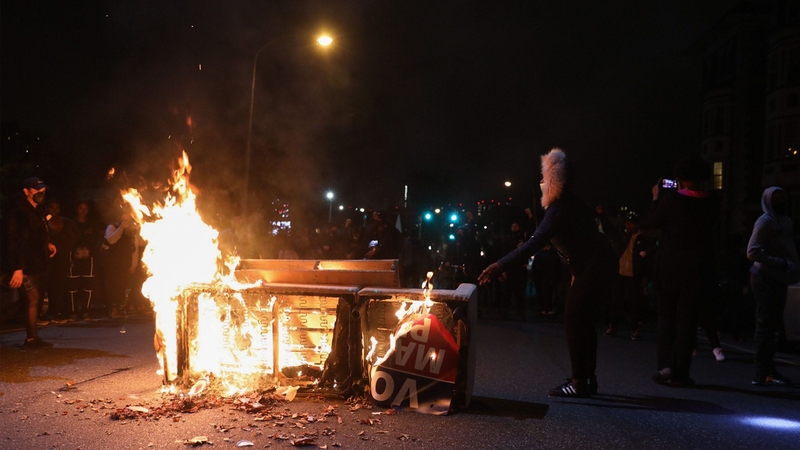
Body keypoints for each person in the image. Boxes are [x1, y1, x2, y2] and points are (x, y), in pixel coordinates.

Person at [479, 148, 617, 397]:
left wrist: (500, 264)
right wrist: (577, 269)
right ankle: (586, 379)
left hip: (595, 268)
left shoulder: (558, 209)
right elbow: (583, 239)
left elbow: (534, 242)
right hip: (594, 266)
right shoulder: (570, 203)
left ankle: (580, 382)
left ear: (555, 182)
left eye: (545, 177)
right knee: (583, 322)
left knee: (574, 320)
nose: (540, 181)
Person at [646, 156, 718, 387]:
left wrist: (656, 198)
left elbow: (653, 223)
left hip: (669, 267)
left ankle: (665, 365)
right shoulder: (712, 203)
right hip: (697, 270)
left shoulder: (672, 200)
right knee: (688, 322)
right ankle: (681, 372)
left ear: (680, 178)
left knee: (666, 317)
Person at [746, 186, 798, 386]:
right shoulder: (764, 221)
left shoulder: (785, 222)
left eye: (782, 198)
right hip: (764, 277)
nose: (781, 202)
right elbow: (752, 252)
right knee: (766, 325)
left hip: (779, 277)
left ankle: (768, 369)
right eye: (775, 199)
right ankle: (761, 372)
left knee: (773, 326)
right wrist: (781, 263)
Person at [5, 177, 57, 348]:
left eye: (43, 190)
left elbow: (38, 234)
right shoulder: (19, 211)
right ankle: (31, 339)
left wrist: (47, 244)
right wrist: (17, 269)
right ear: (26, 192)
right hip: (25, 264)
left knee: (37, 299)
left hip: (38, 263)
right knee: (32, 298)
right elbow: (15, 241)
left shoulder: (38, 210)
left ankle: (33, 337)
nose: (41, 193)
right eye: (36, 190)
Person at [605, 214, 654, 341]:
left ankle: (634, 329)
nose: (628, 225)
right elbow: (610, 231)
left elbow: (647, 260)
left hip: (634, 275)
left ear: (637, 225)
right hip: (620, 273)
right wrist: (602, 216)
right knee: (616, 301)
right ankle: (613, 326)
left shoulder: (642, 239)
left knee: (634, 303)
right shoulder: (623, 237)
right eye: (627, 222)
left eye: (631, 223)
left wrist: (645, 276)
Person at [45, 199, 79, 324]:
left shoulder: (67, 222)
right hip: (47, 259)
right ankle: (44, 313)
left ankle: (56, 312)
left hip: (63, 259)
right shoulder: (43, 222)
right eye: (51, 207)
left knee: (59, 286)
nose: (54, 210)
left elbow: (76, 237)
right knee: (46, 285)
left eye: (57, 207)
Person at [68, 201, 102, 321]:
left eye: (85, 209)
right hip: (74, 258)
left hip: (89, 259)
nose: (83, 211)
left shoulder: (92, 224)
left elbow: (97, 240)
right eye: (80, 208)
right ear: (77, 209)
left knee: (87, 286)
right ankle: (73, 312)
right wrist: (75, 251)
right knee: (73, 286)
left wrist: (89, 251)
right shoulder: (71, 224)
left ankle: (85, 311)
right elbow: (68, 239)